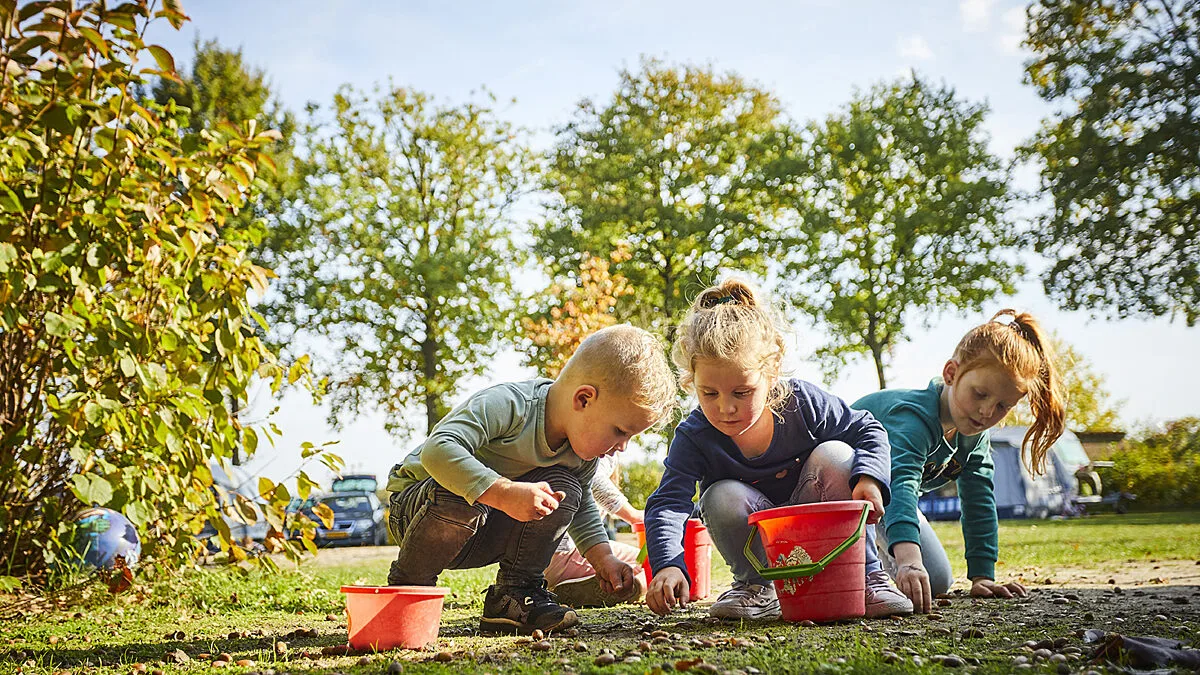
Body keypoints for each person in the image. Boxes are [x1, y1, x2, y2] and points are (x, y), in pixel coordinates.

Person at [642, 279, 913, 620]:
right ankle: (757, 587)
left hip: (818, 518)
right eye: (709, 393)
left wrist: (870, 479)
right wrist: (669, 564)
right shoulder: (695, 435)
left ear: (770, 374)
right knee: (719, 495)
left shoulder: (803, 403)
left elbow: (867, 429)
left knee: (836, 455)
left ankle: (866, 575)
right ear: (690, 380)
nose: (726, 408)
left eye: (742, 392)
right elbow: (668, 501)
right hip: (759, 537)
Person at [384, 324, 676, 635]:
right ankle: (408, 587)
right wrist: (504, 493)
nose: (622, 447)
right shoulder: (511, 405)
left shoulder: (579, 456)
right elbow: (438, 449)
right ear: (584, 399)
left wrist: (603, 558)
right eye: (620, 431)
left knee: (567, 488)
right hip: (418, 513)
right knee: (458, 487)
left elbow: (583, 507)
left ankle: (515, 595)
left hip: (484, 529)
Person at [854, 310, 1065, 614]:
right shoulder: (913, 420)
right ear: (951, 373)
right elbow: (900, 485)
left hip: (883, 503)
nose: (986, 412)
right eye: (979, 394)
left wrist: (982, 576)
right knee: (912, 566)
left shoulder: (974, 435)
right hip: (840, 486)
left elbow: (979, 499)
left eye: (1002, 406)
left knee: (937, 580)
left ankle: (878, 562)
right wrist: (909, 561)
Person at [543, 454, 647, 607]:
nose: (622, 446)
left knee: (636, 562)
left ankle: (576, 587)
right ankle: (636, 587)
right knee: (648, 565)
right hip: (566, 553)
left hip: (542, 561)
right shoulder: (603, 449)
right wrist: (634, 515)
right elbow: (594, 480)